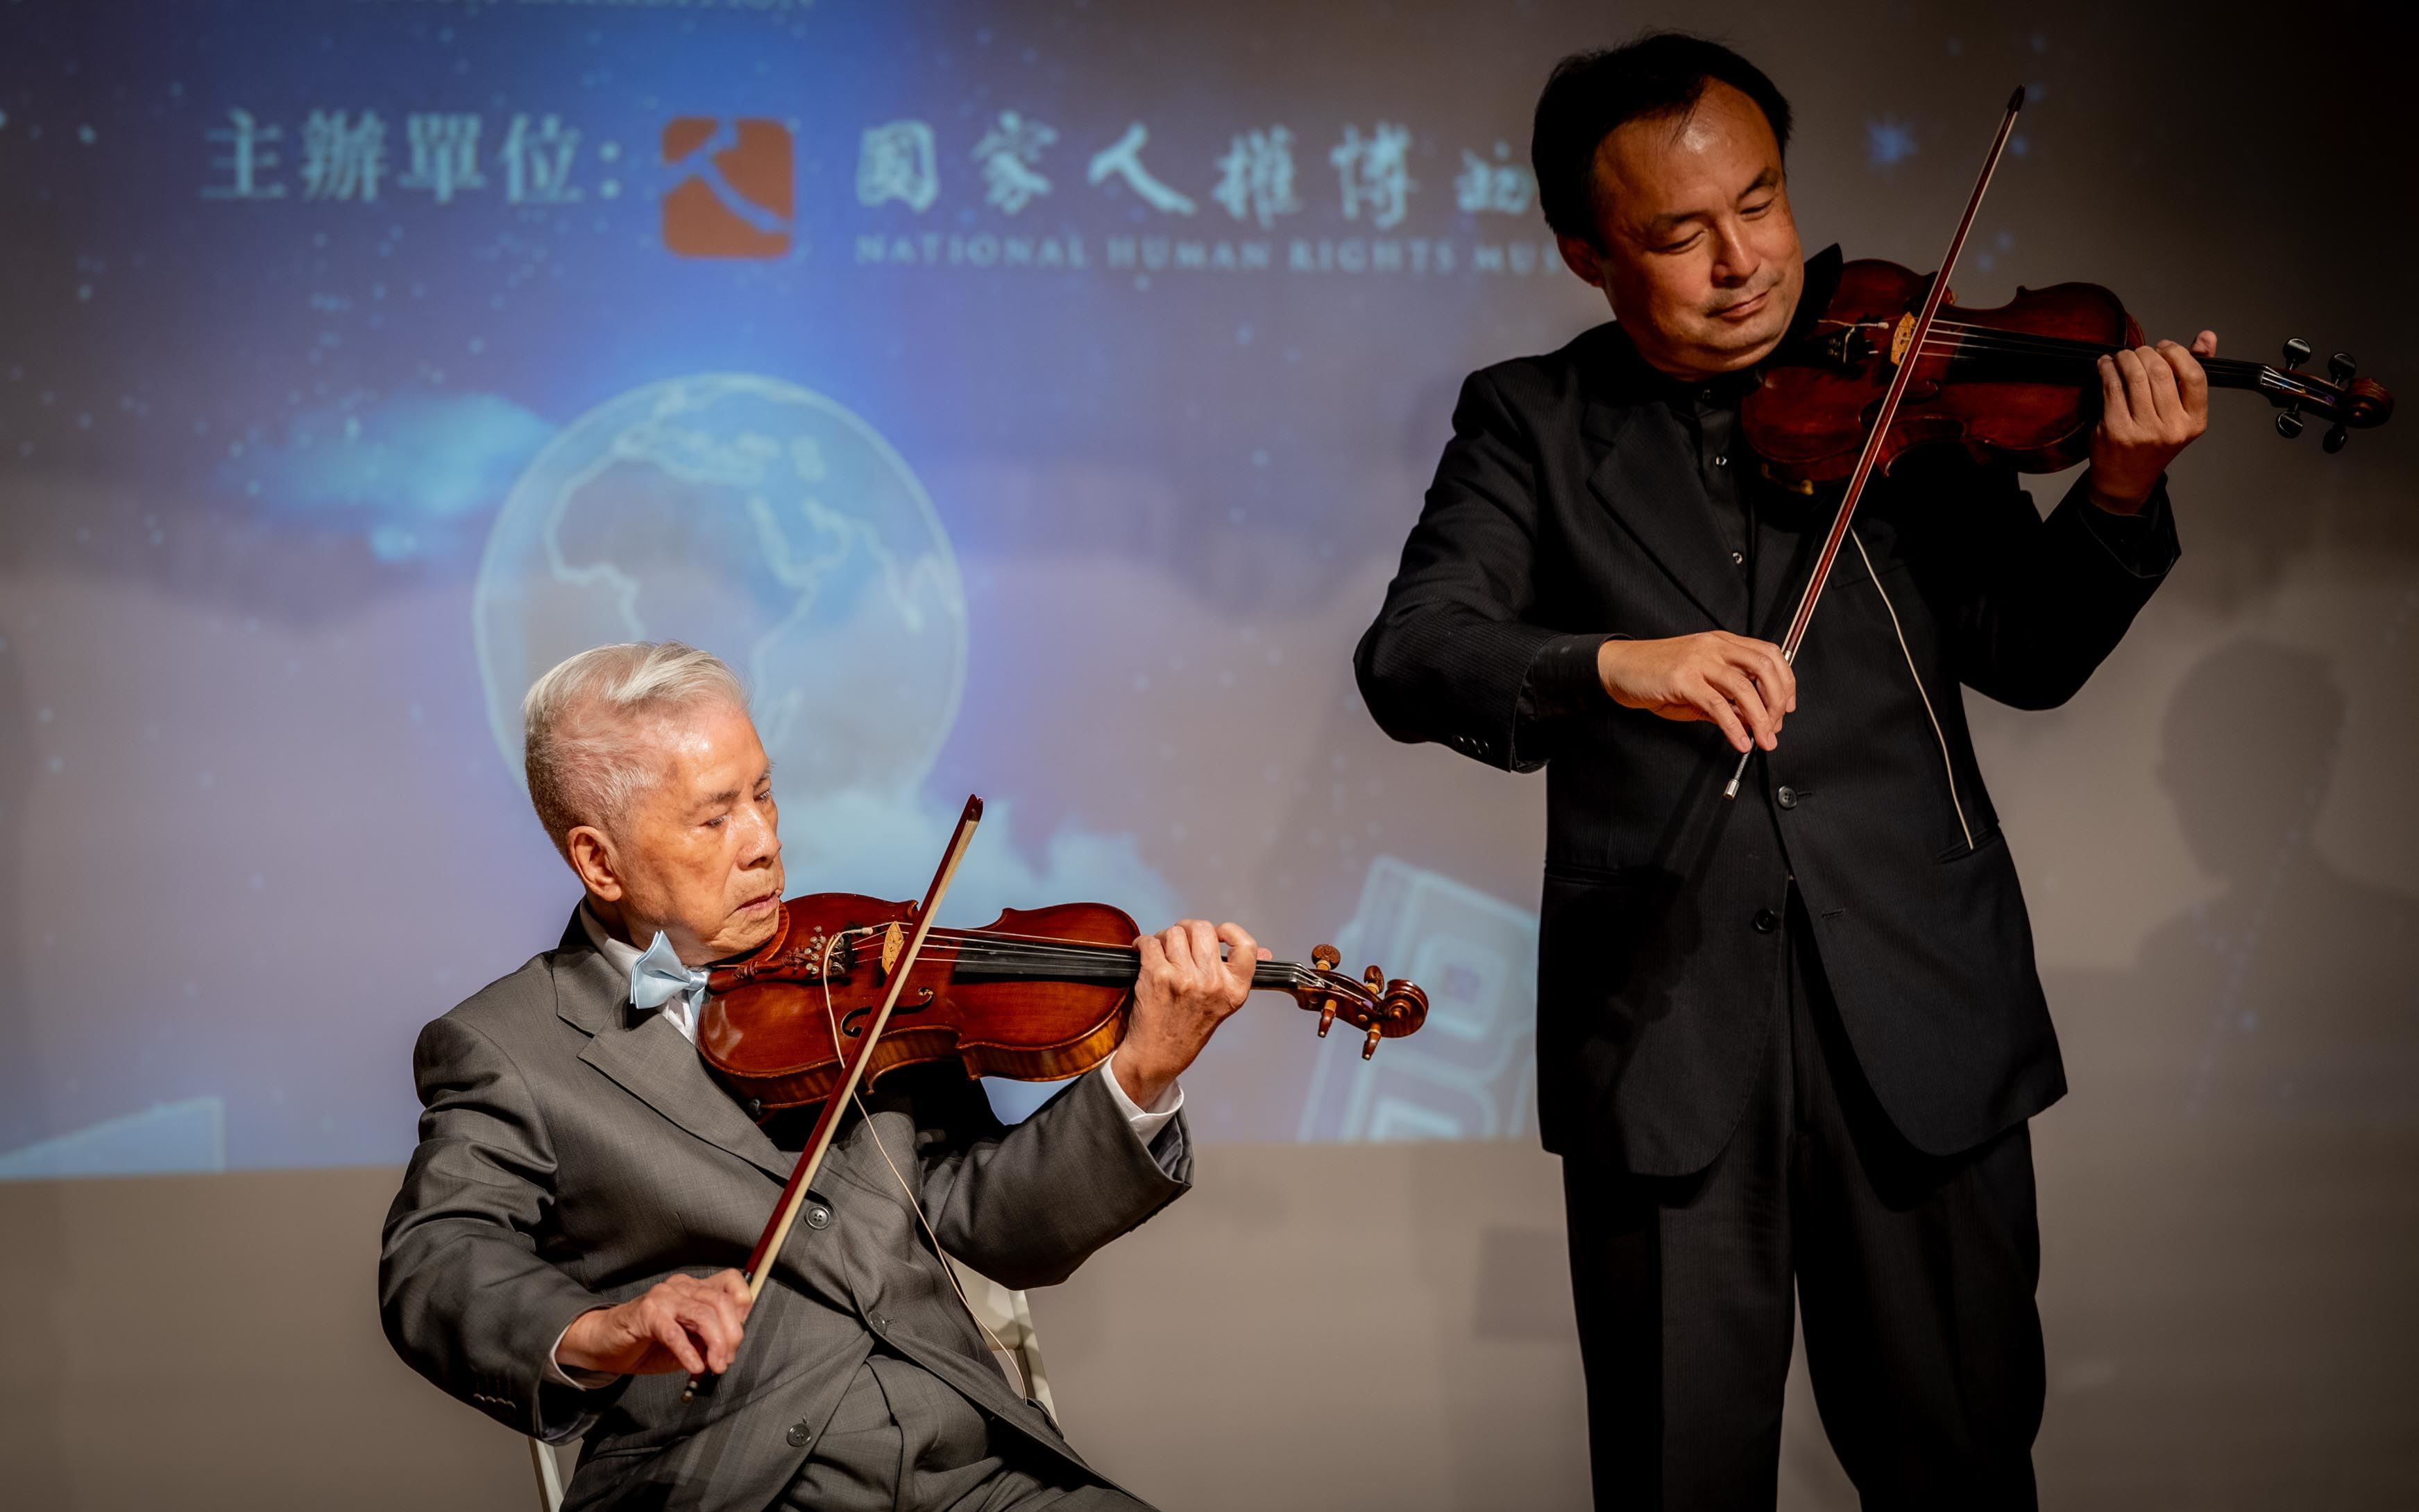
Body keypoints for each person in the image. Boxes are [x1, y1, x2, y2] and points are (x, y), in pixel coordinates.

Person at [1355, 33, 2214, 1511]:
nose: (1745, 262)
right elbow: (1412, 653)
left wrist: (2121, 492)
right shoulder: (1530, 423)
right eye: (1680, 234)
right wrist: (1612, 665)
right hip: (1667, 1038)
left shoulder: (1903, 383)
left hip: (1923, 1016)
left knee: (1962, 1468)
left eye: (1761, 203)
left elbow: (2027, 650)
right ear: (1587, 253)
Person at [380, 641, 1262, 1512]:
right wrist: (604, 1330)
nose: (765, 842)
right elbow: (437, 1257)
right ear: (599, 861)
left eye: (762, 793)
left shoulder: (859, 972)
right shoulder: (508, 1043)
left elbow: (994, 1223)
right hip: (728, 1485)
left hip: (979, 1474)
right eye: (714, 819)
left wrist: (1141, 1068)